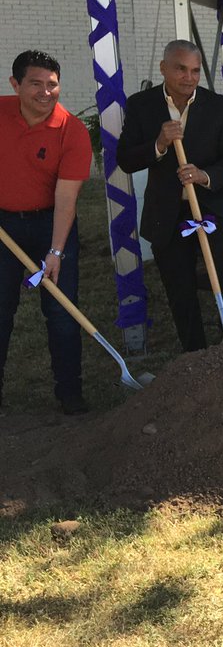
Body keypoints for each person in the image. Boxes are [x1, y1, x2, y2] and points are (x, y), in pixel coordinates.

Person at [118, 40, 223, 351]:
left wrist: (204, 175)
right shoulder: (141, 105)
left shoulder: (220, 107)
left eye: (194, 71)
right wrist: (159, 145)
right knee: (180, 288)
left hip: (213, 208)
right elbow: (126, 159)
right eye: (180, 69)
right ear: (163, 68)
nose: (189, 78)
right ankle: (195, 354)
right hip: (167, 212)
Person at [0, 51, 93, 413]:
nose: (45, 92)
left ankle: (70, 392)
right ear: (16, 84)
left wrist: (55, 252)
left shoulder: (72, 130)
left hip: (52, 223)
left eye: (52, 84)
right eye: (35, 84)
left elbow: (66, 198)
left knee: (61, 312)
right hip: (4, 225)